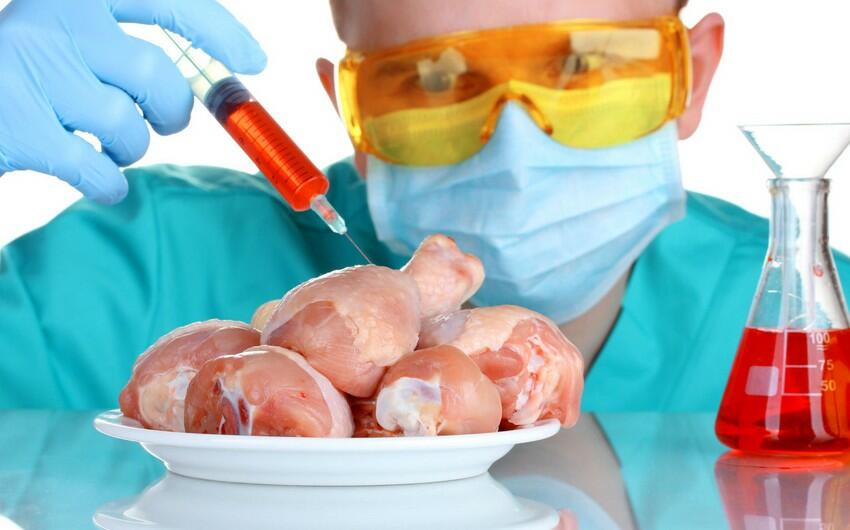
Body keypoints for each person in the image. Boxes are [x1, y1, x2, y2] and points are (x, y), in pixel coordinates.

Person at [0, 0, 847, 411]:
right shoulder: (133, 272)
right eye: (434, 83)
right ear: (352, 117)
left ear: (692, 76)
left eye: (584, 69)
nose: (516, 153)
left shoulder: (809, 327)